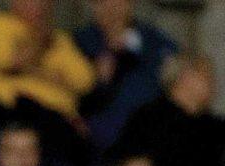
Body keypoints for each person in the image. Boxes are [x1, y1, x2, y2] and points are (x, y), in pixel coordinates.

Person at [0, 0, 95, 164]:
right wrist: (40, 48)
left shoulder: (59, 39)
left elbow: (85, 81)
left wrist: (33, 67)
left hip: (60, 117)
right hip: (11, 111)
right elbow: (7, 61)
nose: (38, 6)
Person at [112, 54, 225, 166]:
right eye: (205, 75)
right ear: (185, 77)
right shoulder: (147, 118)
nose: (213, 83)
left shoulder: (216, 127)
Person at [74, 0, 178, 150]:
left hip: (149, 139)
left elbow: (176, 75)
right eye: (104, 2)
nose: (112, 7)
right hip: (96, 142)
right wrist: (99, 81)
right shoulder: (80, 43)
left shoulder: (155, 42)